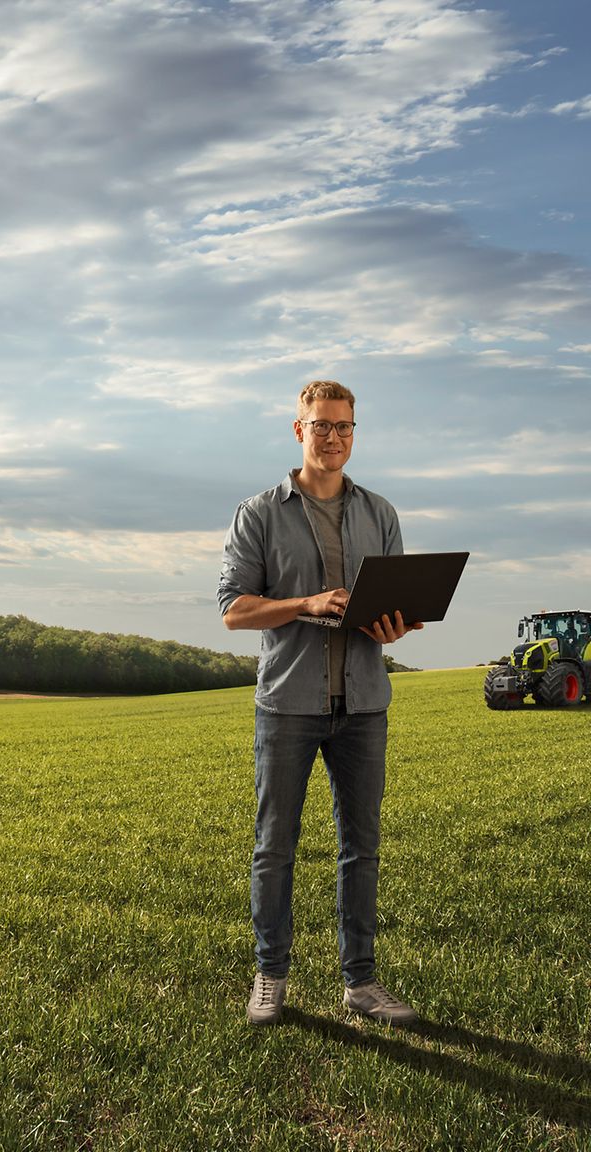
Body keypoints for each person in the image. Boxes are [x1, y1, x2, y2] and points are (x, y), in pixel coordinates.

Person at [217, 380, 424, 1026]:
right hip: (288, 705)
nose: (333, 437)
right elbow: (232, 610)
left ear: (354, 433)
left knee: (360, 847)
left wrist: (397, 624)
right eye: (321, 425)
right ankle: (270, 975)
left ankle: (360, 983)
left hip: (363, 705)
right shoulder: (259, 513)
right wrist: (306, 605)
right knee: (274, 846)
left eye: (345, 427)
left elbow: (397, 602)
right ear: (297, 430)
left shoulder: (380, 513)